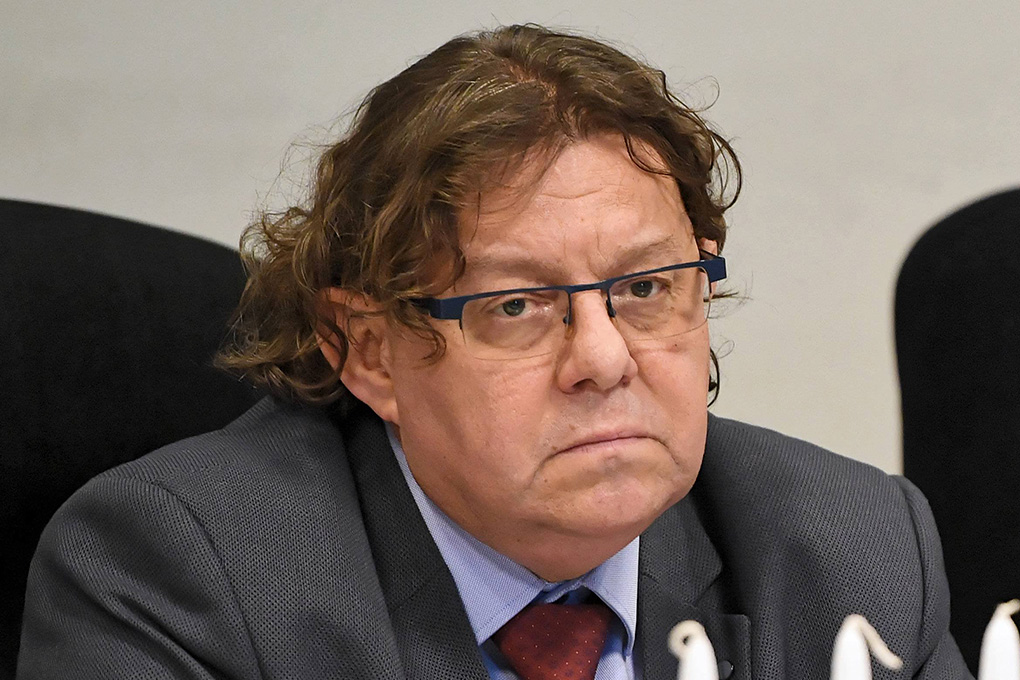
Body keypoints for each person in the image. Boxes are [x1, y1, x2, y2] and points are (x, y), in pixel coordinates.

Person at [18, 24, 971, 680]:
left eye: (646, 289)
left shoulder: (852, 552)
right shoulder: (185, 580)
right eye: (517, 305)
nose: (604, 359)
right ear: (369, 351)